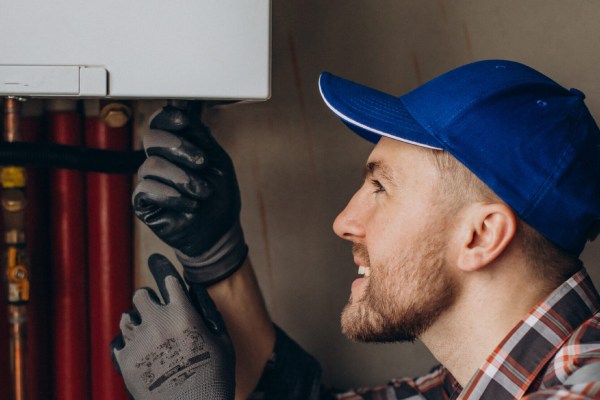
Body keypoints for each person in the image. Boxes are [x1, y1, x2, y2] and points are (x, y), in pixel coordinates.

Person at [111, 60, 600, 399]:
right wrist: (217, 255)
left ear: (480, 236)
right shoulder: (462, 386)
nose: (344, 222)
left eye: (380, 188)